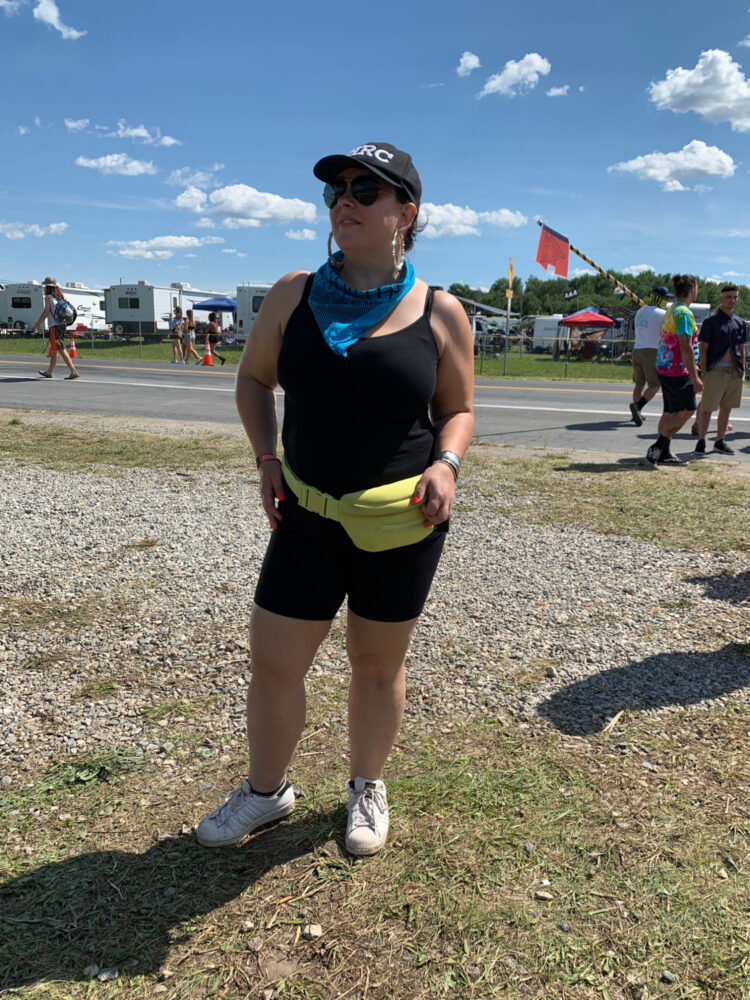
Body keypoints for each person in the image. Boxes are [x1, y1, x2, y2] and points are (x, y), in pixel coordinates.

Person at [196, 141, 474, 856]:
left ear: (406, 215)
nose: (345, 200)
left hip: (402, 524)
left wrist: (446, 462)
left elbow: (460, 410)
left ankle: (365, 787)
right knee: (276, 663)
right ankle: (266, 792)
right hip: (306, 516)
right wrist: (265, 456)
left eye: (365, 190)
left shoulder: (442, 313)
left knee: (377, 665)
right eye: (336, 190)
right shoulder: (293, 293)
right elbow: (254, 380)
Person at [645, 274, 702, 467]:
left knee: (670, 410)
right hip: (678, 369)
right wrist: (695, 377)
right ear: (692, 289)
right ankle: (658, 447)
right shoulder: (684, 313)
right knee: (688, 409)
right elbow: (685, 346)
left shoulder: (672, 309)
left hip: (664, 366)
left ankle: (664, 452)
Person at [694, 284, 748, 456]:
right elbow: (703, 349)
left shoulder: (739, 322)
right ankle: (701, 441)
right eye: (728, 297)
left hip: (734, 371)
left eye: (734, 297)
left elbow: (741, 348)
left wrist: (742, 370)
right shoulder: (711, 322)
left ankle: (719, 441)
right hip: (715, 371)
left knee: (727, 408)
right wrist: (704, 371)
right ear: (721, 299)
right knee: (708, 407)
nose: (732, 300)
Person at [629, 286, 670, 426]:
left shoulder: (640, 311)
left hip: (637, 349)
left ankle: (636, 414)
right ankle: (638, 407)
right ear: (660, 298)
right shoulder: (662, 314)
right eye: (666, 298)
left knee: (639, 384)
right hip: (651, 350)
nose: (667, 300)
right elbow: (666, 332)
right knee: (655, 384)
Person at [32, 277, 79, 380]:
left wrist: (37, 324)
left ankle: (73, 371)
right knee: (54, 350)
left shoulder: (48, 297)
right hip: (62, 325)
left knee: (61, 349)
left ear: (48, 287)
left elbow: (45, 313)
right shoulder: (62, 297)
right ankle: (49, 372)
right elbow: (74, 310)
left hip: (54, 326)